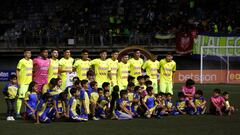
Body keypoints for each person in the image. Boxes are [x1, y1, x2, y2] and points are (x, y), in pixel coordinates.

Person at [16, 49, 33, 118]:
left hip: (29, 83)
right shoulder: (21, 61)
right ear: (24, 54)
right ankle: (17, 113)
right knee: (20, 98)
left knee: (27, 99)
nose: (29, 54)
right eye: (28, 53)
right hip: (23, 83)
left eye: (30, 53)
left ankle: (27, 113)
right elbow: (17, 70)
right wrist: (18, 81)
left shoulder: (31, 61)